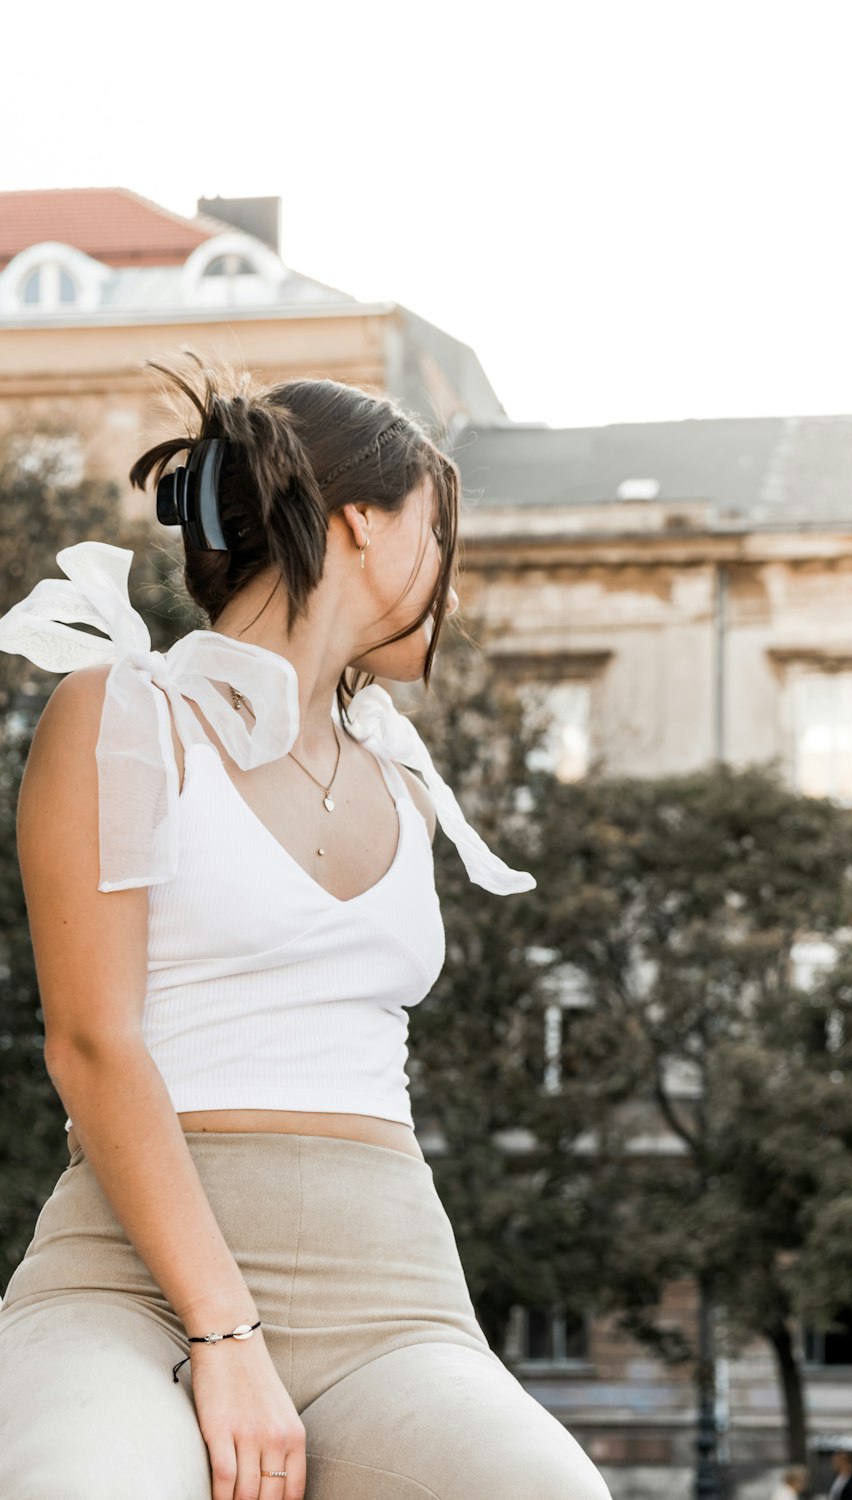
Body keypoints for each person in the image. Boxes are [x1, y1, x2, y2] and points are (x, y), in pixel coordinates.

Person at [0, 353, 614, 1500]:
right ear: (365, 526)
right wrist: (226, 1337)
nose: (448, 579)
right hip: (130, 1288)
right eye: (439, 534)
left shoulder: (397, 766)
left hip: (391, 1297)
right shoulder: (125, 711)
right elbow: (92, 1042)